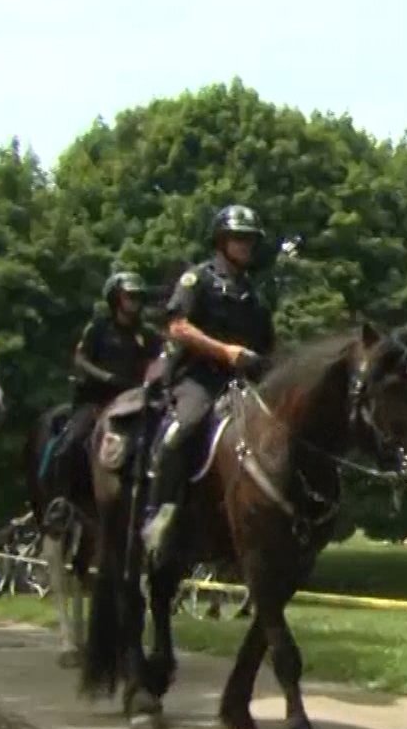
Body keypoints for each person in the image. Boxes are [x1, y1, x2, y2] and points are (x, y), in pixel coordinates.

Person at [142, 204, 275, 564]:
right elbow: (178, 327)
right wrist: (226, 351)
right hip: (198, 379)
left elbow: (267, 345)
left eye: (250, 240)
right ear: (221, 240)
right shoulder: (197, 280)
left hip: (242, 383)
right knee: (182, 429)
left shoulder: (254, 294)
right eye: (239, 238)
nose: (246, 245)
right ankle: (159, 512)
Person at [44, 272, 157, 532]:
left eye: (139, 297)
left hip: (135, 402)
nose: (135, 302)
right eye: (130, 296)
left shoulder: (148, 334)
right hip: (97, 401)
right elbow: (81, 359)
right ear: (116, 299)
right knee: (70, 443)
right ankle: (60, 503)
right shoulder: (98, 328)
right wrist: (106, 377)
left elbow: (158, 362)